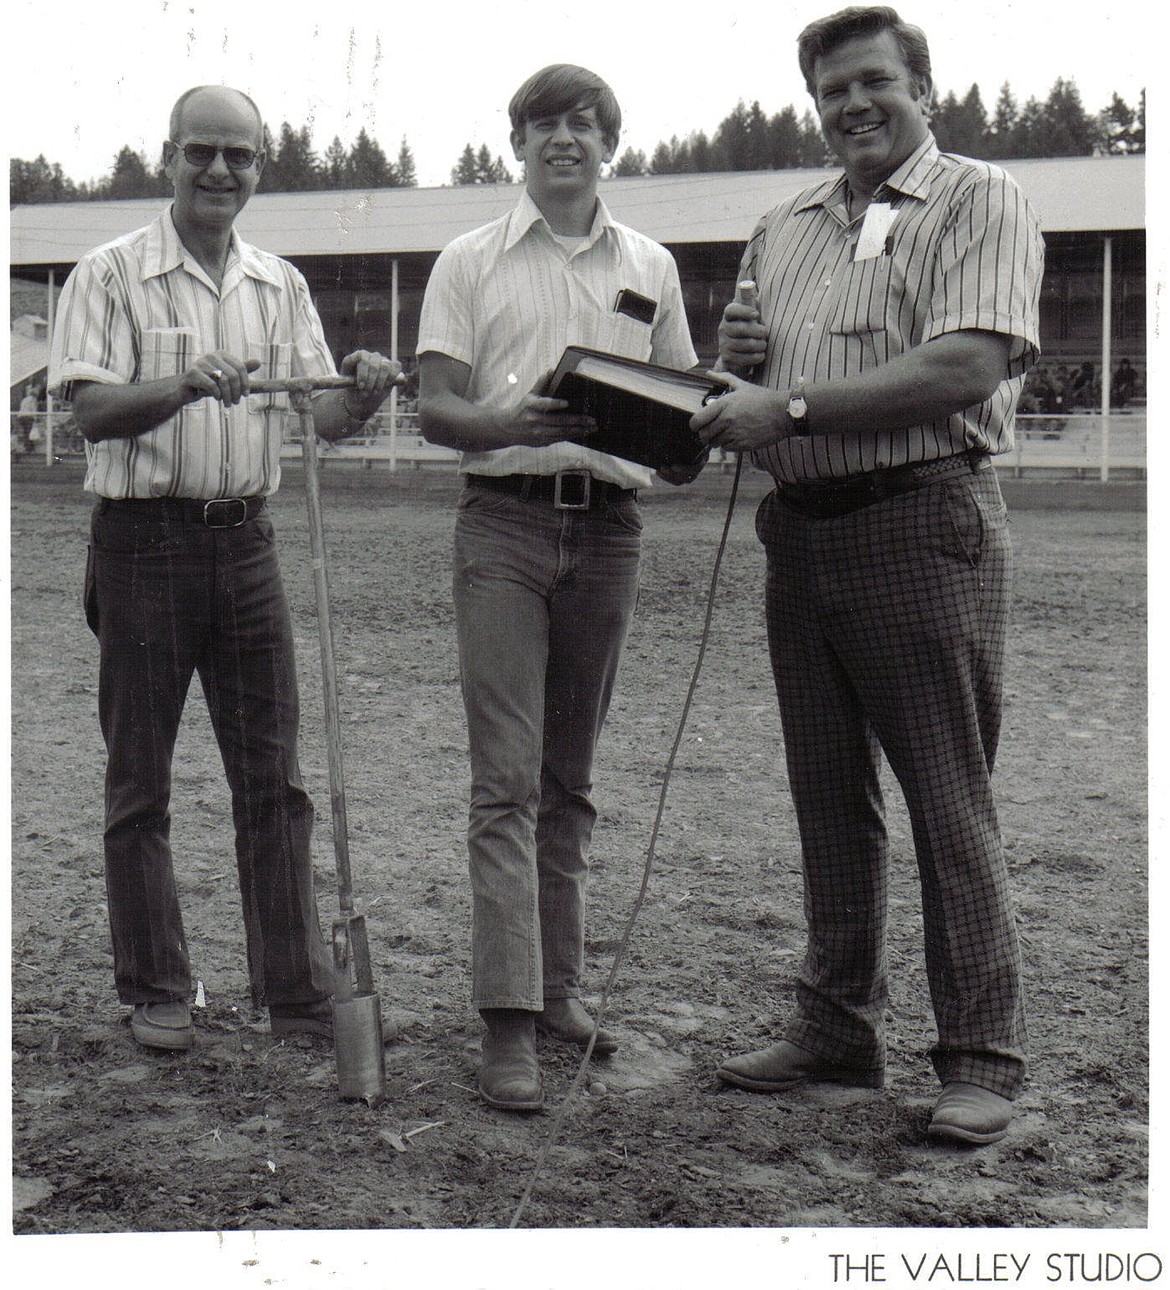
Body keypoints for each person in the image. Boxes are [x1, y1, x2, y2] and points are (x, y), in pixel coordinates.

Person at [691, 6, 1044, 1146]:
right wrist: (736, 367)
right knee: (827, 794)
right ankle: (837, 1023)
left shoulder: (978, 199)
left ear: (922, 87)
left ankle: (982, 1056)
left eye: (874, 82)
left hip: (920, 517)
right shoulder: (781, 224)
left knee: (948, 798)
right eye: (831, 90)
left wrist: (783, 404)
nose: (853, 105)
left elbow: (963, 363)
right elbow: (746, 373)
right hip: (801, 532)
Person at [48, 85, 401, 1053]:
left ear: (259, 167)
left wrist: (361, 394)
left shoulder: (278, 285)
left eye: (238, 156)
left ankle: (292, 988)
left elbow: (318, 416)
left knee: (274, 780)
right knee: (140, 779)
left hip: (247, 543)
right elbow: (86, 411)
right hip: (142, 545)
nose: (218, 171)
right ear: (168, 157)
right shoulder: (109, 273)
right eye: (201, 151)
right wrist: (180, 385)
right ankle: (158, 986)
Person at [417, 64, 700, 1111]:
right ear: (518, 146)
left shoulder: (653, 266)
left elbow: (680, 415)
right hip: (503, 525)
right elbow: (439, 408)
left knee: (569, 780)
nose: (564, 140)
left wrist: (697, 425)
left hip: (610, 530)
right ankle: (507, 1023)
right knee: (506, 781)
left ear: (608, 144)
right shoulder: (468, 259)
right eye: (543, 125)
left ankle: (561, 989)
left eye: (583, 124)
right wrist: (510, 424)